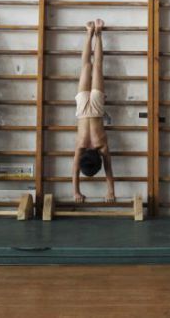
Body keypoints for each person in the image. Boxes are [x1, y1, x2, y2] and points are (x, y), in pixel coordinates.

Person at [72, 19, 115, 203]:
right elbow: (74, 172)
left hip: (95, 109)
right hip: (83, 109)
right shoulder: (80, 147)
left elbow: (108, 169)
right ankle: (91, 32)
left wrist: (110, 191)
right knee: (88, 66)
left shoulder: (101, 146)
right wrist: (76, 191)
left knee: (95, 66)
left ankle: (97, 32)